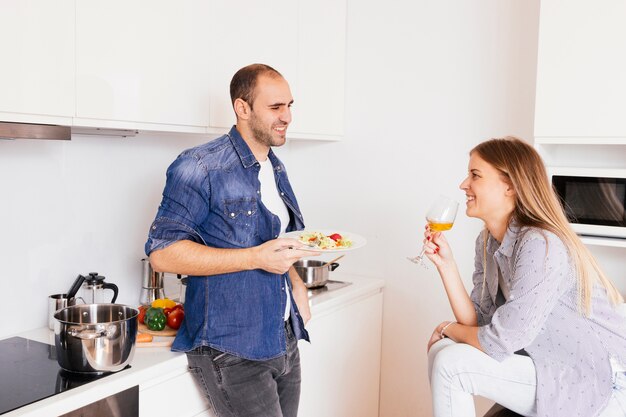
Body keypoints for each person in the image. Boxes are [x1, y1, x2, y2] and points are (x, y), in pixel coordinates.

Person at [145, 63, 317, 417]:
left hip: (282, 337)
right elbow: (162, 254)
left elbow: (275, 241)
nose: (287, 116)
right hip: (232, 350)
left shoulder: (275, 167)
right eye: (275, 107)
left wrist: (296, 282)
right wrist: (255, 258)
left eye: (289, 105)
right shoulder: (198, 166)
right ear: (242, 108)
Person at [424, 137, 626, 417]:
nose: (463, 185)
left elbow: (497, 341)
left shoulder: (540, 243)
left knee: (449, 361)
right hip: (553, 364)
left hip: (601, 379)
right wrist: (445, 265)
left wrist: (448, 327)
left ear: (510, 185)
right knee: (443, 352)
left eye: (475, 175)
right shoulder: (488, 242)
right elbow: (478, 324)